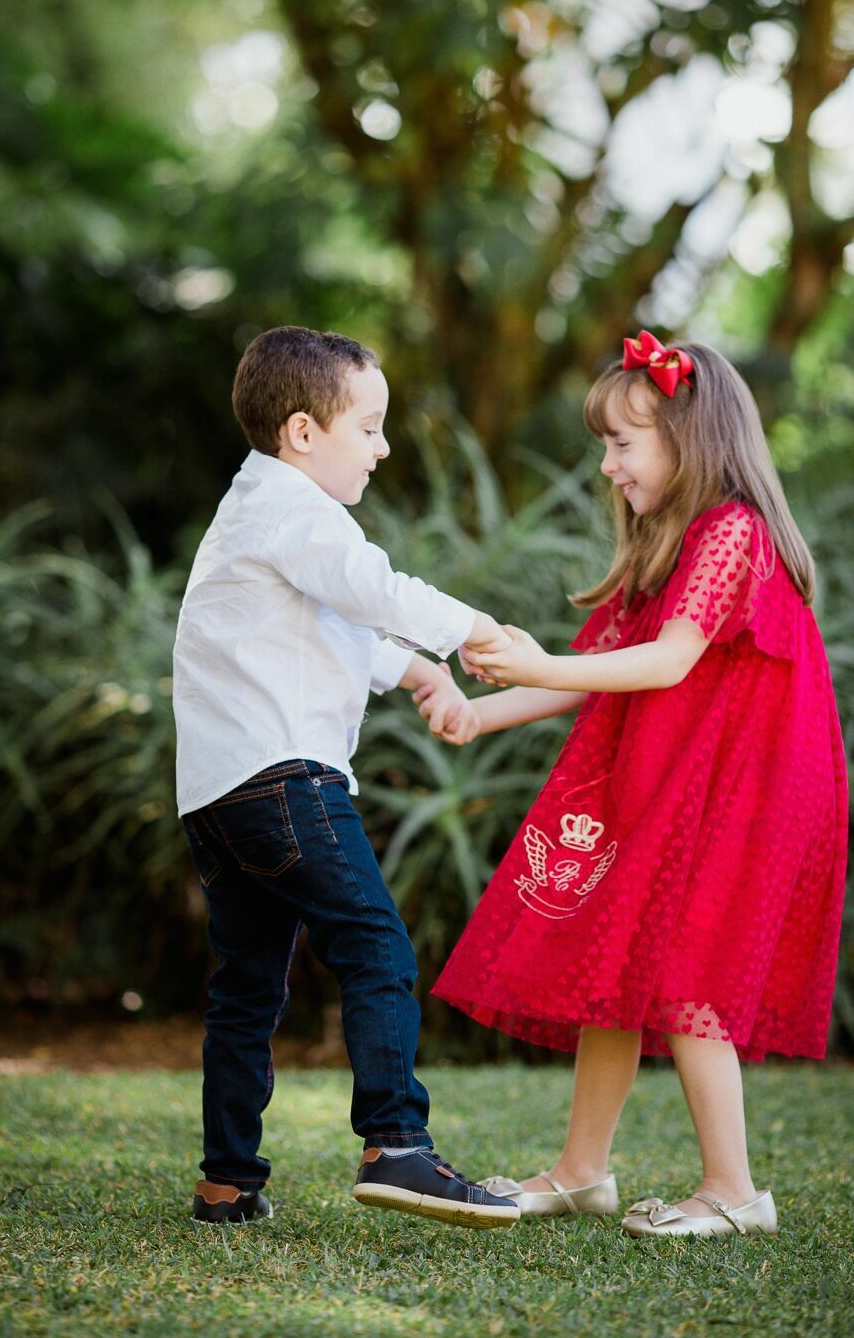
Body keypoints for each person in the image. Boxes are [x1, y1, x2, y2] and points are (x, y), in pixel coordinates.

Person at [422, 331, 848, 1238]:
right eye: (605, 446)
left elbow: (664, 664)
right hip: (669, 777)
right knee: (610, 962)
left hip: (740, 789)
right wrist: (479, 712)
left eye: (623, 443)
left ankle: (734, 1192)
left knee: (688, 972)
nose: (608, 466)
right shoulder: (670, 539)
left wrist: (534, 663)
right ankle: (581, 1171)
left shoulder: (732, 532)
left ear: (688, 439)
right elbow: (605, 664)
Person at [173, 325, 518, 1230]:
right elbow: (370, 587)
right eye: (368, 427)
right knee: (374, 944)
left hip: (218, 795)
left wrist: (420, 673)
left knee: (247, 985)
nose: (383, 446)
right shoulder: (299, 513)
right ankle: (396, 1145)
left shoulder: (253, 512)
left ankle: (227, 1182)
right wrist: (477, 632)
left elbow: (324, 624)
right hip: (284, 778)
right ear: (300, 433)